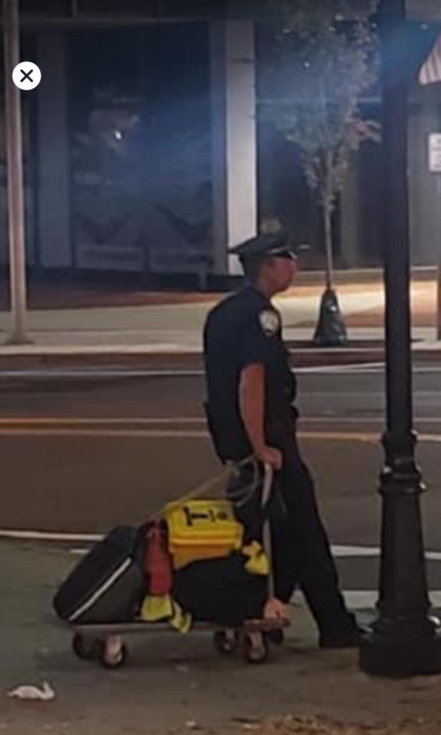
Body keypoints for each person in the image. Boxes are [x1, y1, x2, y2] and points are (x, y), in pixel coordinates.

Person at [203, 229, 361, 648]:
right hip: (266, 443)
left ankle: (262, 612)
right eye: (288, 260)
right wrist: (262, 447)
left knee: (274, 534)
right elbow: (250, 382)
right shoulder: (259, 316)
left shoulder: (225, 311)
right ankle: (333, 626)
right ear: (267, 267)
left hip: (234, 441)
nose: (295, 267)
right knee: (302, 529)